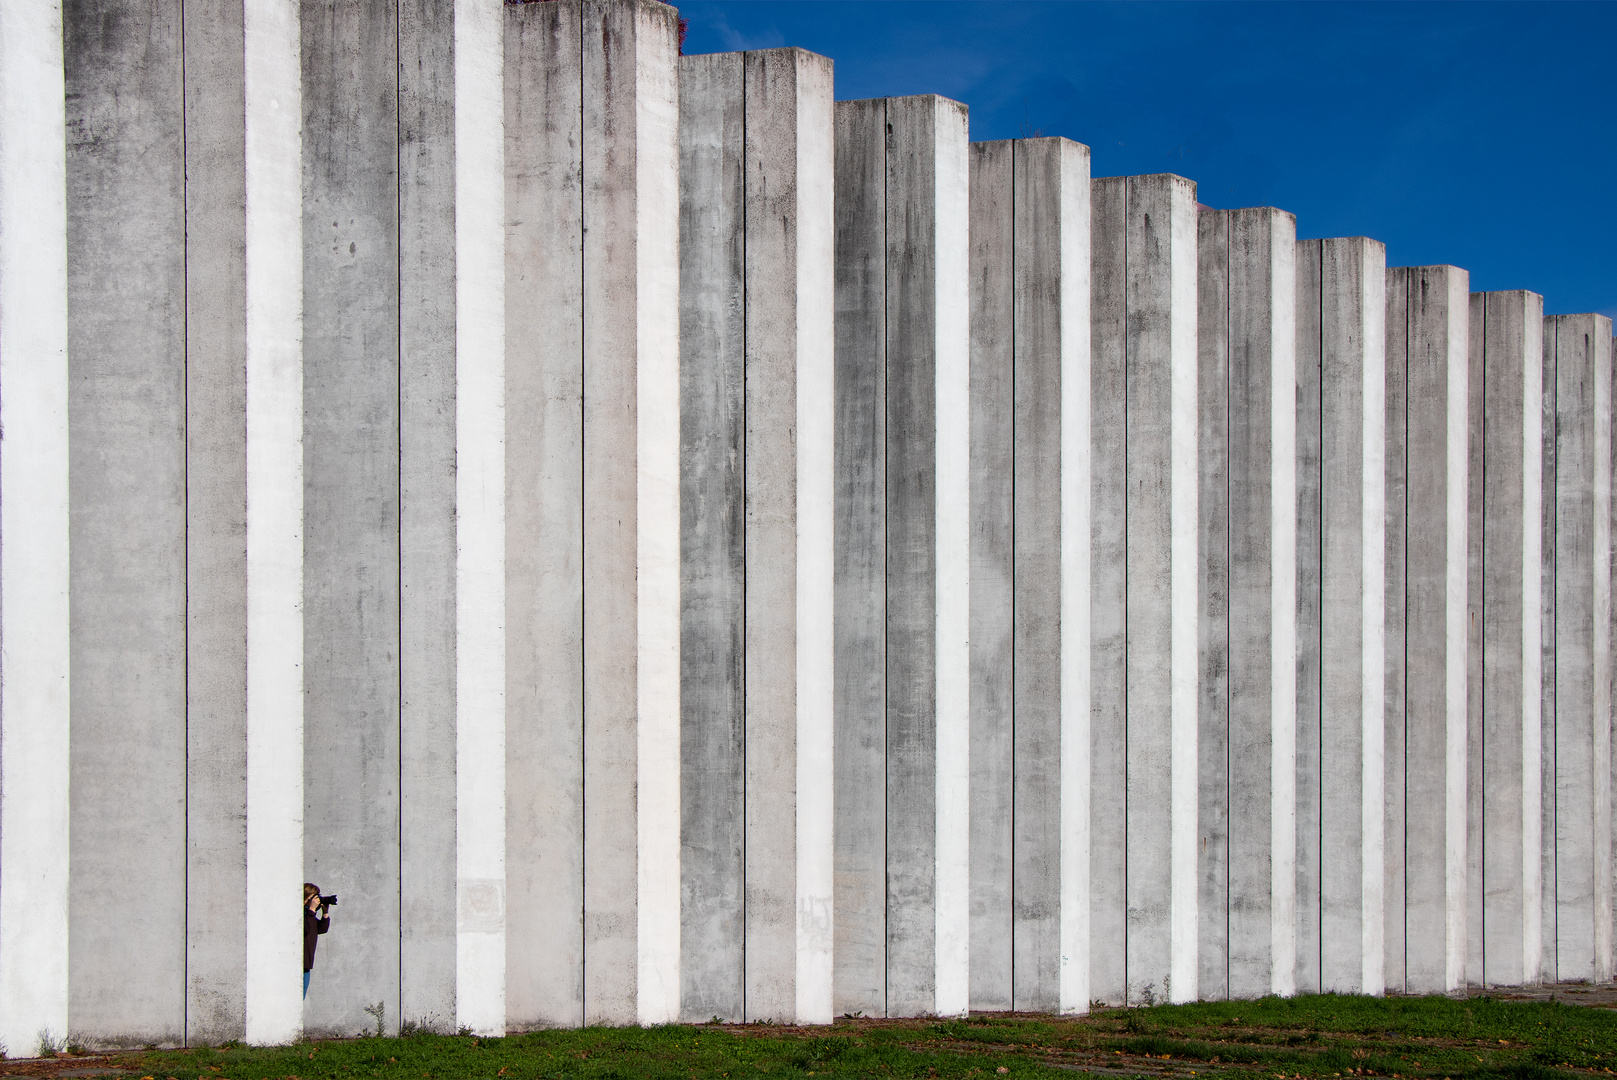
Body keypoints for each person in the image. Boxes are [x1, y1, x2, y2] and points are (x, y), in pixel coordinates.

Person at [304, 883, 331, 999]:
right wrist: (311, 910)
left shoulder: (310, 915)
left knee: (301, 998)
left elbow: (320, 929)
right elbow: (306, 928)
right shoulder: (301, 915)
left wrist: (325, 913)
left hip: (306, 965)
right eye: (314, 897)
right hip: (297, 964)